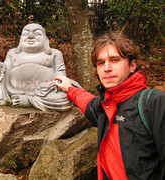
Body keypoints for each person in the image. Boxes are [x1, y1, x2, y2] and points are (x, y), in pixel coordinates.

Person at [54, 31, 165, 180]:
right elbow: (88, 102)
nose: (107, 68)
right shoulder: (105, 106)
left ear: (132, 65)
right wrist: (70, 88)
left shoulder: (154, 103)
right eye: (101, 63)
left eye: (115, 60)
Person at [0, 23, 75, 111]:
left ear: (46, 39)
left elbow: (60, 72)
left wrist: (58, 81)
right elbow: (5, 67)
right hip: (13, 92)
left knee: (64, 99)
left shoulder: (54, 53)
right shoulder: (12, 53)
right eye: (25, 33)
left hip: (45, 93)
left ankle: (29, 100)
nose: (30, 36)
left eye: (37, 33)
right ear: (20, 39)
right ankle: (19, 99)